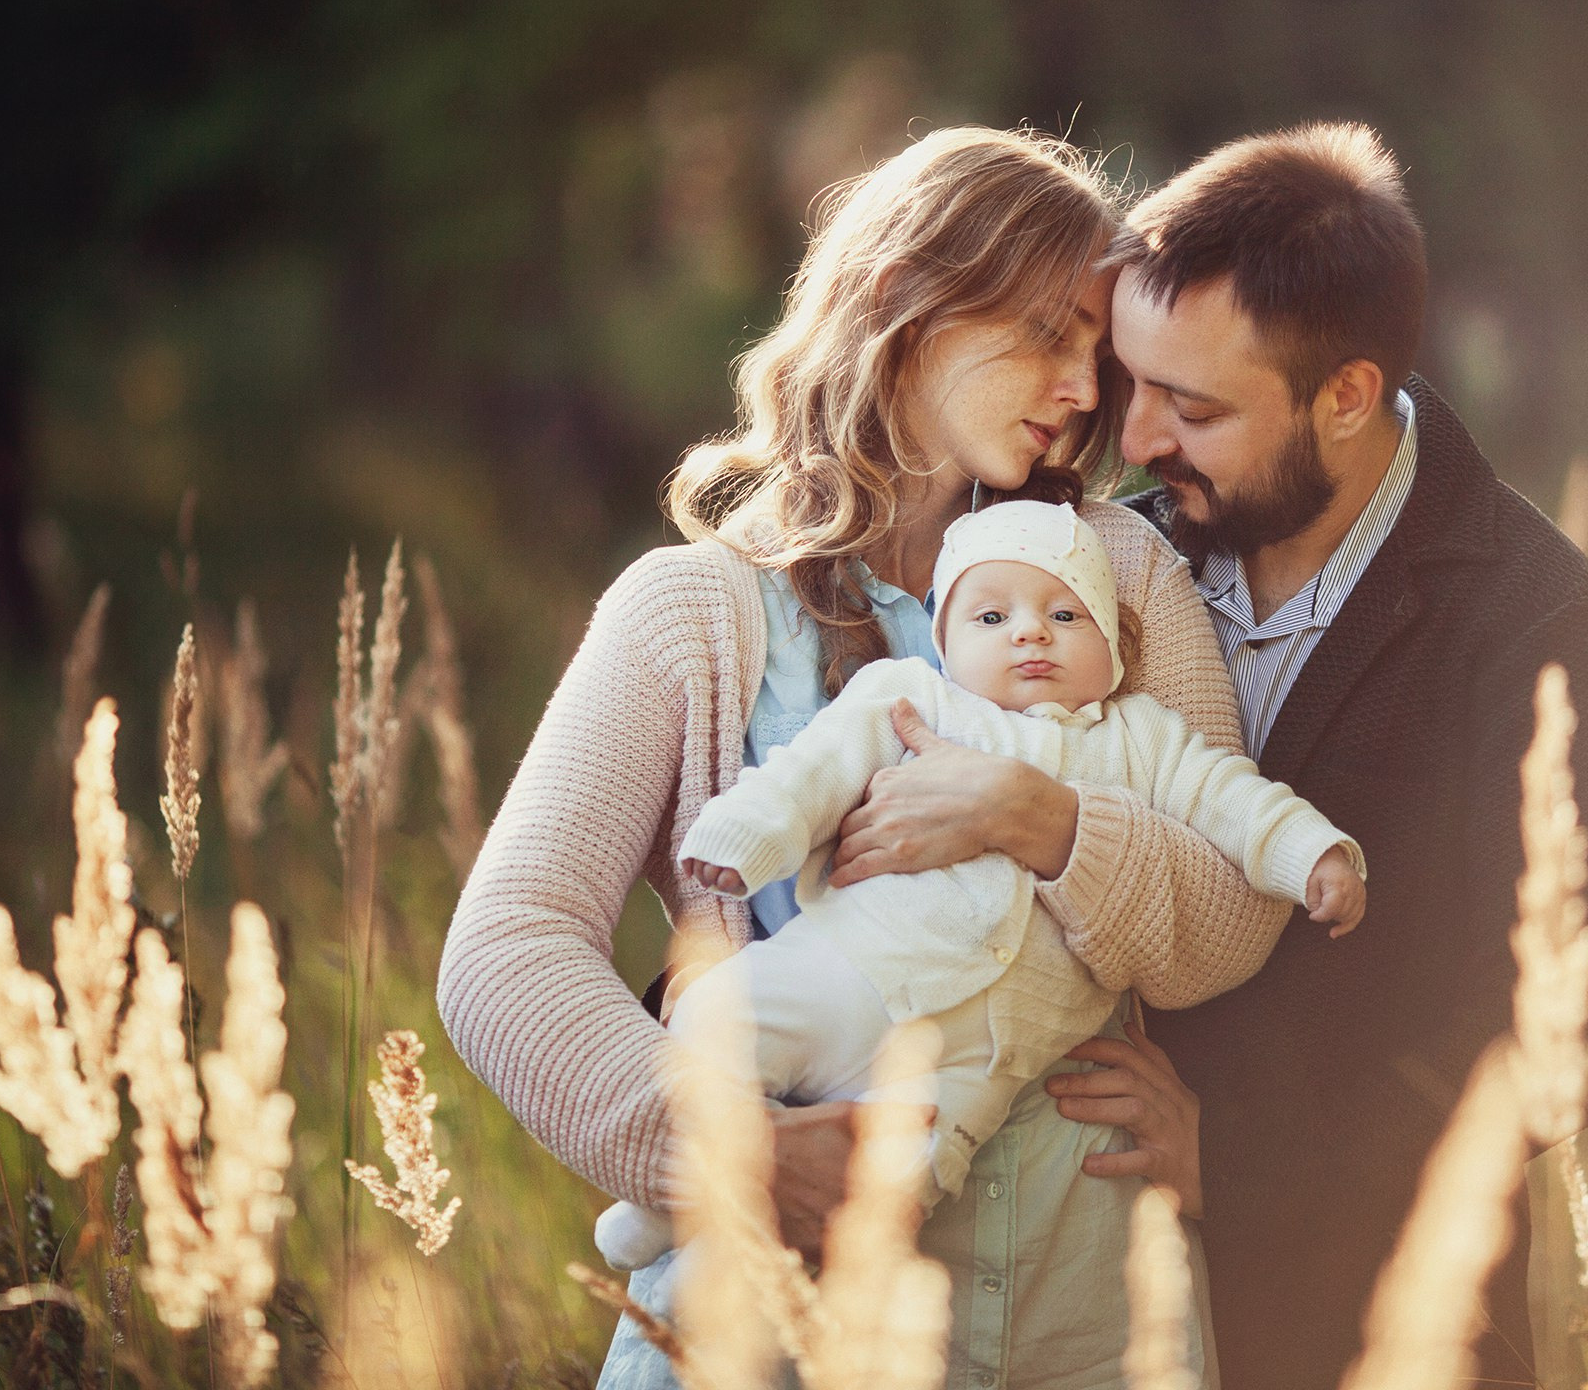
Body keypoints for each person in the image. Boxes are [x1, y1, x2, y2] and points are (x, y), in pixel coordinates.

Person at [436, 126, 1295, 1390]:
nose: (1079, 390)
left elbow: (1231, 910)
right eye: (1049, 334)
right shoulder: (694, 612)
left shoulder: (1118, 569)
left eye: (1093, 357)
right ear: (907, 300)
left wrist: (1043, 820)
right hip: (778, 1325)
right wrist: (740, 1156)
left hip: (1080, 1314)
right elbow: (505, 948)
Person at [845, 122, 1588, 1387]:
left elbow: (1572, 1036)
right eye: (1136, 382)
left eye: (1198, 407)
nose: (1139, 442)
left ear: (1344, 395)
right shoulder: (1107, 562)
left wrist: (1240, 1150)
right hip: (1084, 1306)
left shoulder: (1542, 634)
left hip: (1369, 1318)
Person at [592, 500, 1366, 1273]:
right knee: (719, 1020)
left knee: (915, 1173)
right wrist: (750, 837)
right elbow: (811, 776)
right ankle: (673, 1198)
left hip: (986, 1054)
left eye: (1066, 613)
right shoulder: (916, 700)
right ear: (945, 643)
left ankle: (827, 1247)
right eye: (992, 616)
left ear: (1115, 647)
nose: (1030, 632)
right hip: (850, 975)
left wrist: (1313, 855)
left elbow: (1234, 800)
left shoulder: (1143, 740)